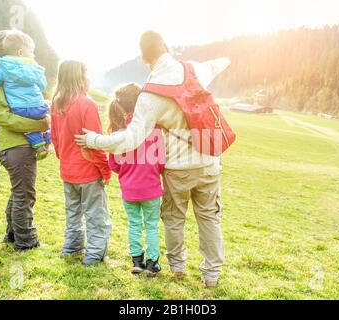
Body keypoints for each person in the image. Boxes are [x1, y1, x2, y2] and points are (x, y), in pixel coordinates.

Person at [75, 31, 231, 288]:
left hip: (178, 168)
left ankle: (178, 268)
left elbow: (130, 140)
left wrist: (94, 140)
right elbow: (217, 64)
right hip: (210, 161)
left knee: (174, 219)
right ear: (166, 47)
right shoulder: (195, 69)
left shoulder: (151, 93)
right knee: (210, 219)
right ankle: (212, 275)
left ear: (145, 59)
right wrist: (228, 58)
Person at [0, 30, 50, 251]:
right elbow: (3, 116)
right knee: (24, 194)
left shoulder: (6, 74)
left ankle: (12, 234)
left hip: (16, 144)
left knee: (19, 191)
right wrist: (40, 125)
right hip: (14, 144)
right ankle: (26, 241)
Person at [51, 60, 112, 266]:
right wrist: (106, 170)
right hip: (88, 171)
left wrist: (65, 159)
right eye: (87, 73)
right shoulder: (87, 104)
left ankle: (71, 247)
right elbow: (96, 142)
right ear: (81, 77)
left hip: (68, 170)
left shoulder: (57, 102)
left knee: (73, 213)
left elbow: (55, 138)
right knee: (96, 216)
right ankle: (94, 255)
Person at [107, 84, 165, 277]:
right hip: (151, 188)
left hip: (129, 190)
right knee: (151, 225)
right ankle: (152, 263)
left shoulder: (118, 132)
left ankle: (137, 261)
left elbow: (114, 165)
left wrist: (127, 172)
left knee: (133, 223)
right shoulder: (153, 128)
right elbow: (161, 161)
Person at [0, 30, 51, 160]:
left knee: (29, 118)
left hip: (18, 110)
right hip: (35, 112)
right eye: (31, 52)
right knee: (48, 109)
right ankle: (46, 138)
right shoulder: (35, 68)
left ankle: (39, 142)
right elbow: (43, 86)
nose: (33, 55)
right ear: (20, 52)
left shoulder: (2, 69)